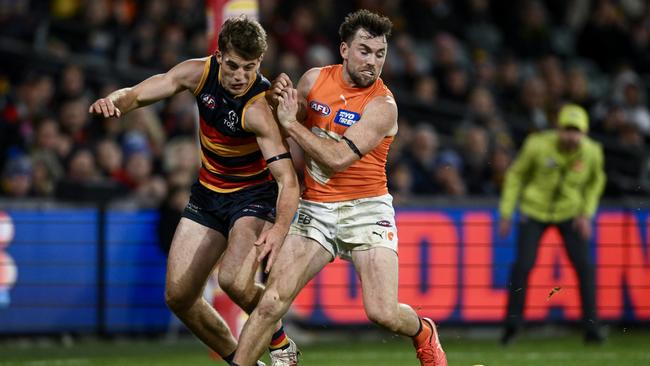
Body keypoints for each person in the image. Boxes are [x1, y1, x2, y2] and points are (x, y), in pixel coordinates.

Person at [233, 10, 447, 366]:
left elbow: (335, 159)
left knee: (382, 313)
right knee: (271, 302)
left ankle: (423, 330)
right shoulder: (314, 79)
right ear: (344, 49)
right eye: (365, 51)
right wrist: (280, 99)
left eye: (380, 54)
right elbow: (289, 120)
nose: (373, 61)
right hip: (316, 208)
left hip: (368, 211)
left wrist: (292, 124)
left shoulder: (383, 106)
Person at [89, 16, 300, 366]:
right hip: (208, 194)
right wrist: (114, 101)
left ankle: (280, 342)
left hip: (251, 199)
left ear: (259, 64)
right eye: (233, 66)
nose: (240, 76)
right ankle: (242, 360)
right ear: (219, 56)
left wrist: (278, 228)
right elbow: (143, 92)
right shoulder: (198, 73)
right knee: (178, 296)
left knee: (233, 280)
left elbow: (288, 180)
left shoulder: (260, 109)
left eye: (249, 68)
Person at [498, 104, 606, 345]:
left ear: (585, 132)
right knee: (523, 266)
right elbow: (516, 175)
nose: (571, 135)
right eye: (567, 129)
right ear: (558, 129)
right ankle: (511, 329)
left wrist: (586, 214)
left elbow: (595, 182)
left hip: (570, 212)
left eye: (576, 130)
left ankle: (592, 330)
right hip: (533, 210)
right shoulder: (537, 144)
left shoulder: (592, 152)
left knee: (585, 268)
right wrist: (506, 212)